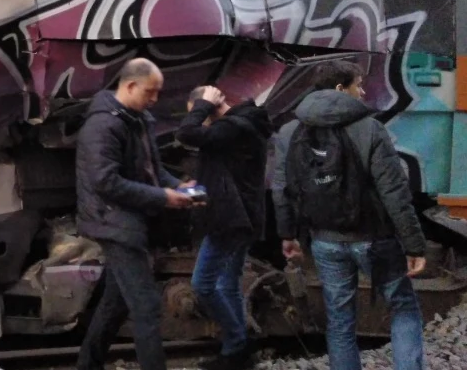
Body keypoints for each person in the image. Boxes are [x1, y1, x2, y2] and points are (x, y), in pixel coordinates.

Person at [273, 60, 426, 370]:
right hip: (375, 239)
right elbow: (394, 192)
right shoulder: (369, 128)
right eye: (359, 84)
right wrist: (414, 246)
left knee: (340, 320)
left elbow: (282, 189)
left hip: (325, 241)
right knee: (402, 308)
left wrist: (288, 235)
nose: (364, 90)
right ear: (341, 89)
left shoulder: (290, 131)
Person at [76, 58, 200, 370]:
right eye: (150, 92)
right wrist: (163, 197)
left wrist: (180, 188)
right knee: (146, 306)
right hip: (112, 221)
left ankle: (87, 366)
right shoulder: (103, 125)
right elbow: (105, 182)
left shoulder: (137, 118)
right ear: (130, 86)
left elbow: (152, 171)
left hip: (127, 219)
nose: (155, 99)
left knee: (115, 303)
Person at [175, 86, 274, 370]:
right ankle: (236, 349)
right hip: (242, 218)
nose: (198, 118)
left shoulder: (233, 127)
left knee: (203, 285)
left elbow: (186, 133)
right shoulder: (242, 126)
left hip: (230, 220)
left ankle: (238, 346)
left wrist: (203, 105)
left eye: (199, 113)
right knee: (228, 285)